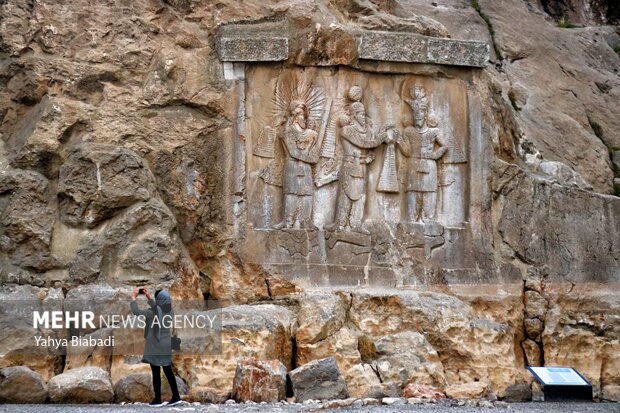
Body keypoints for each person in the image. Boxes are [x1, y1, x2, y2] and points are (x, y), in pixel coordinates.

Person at [131, 287, 182, 407]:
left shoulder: (152, 313)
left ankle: (157, 399)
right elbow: (158, 308)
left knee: (155, 371)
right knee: (168, 371)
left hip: (155, 344)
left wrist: (133, 298)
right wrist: (149, 297)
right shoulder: (170, 311)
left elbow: (137, 312)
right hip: (166, 344)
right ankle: (176, 396)